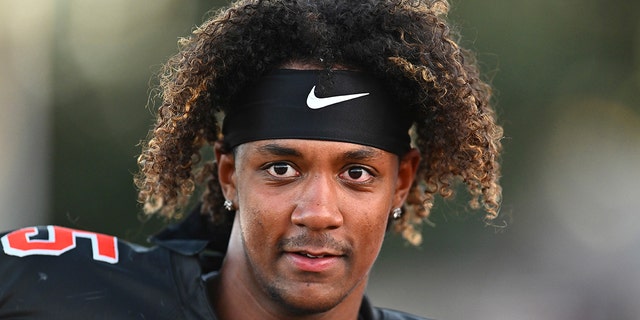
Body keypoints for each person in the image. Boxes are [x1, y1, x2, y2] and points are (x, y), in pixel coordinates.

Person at [0, 0, 502, 319]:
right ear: (229, 176)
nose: (318, 212)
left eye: (357, 173)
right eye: (281, 169)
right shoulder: (45, 288)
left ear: (401, 183)